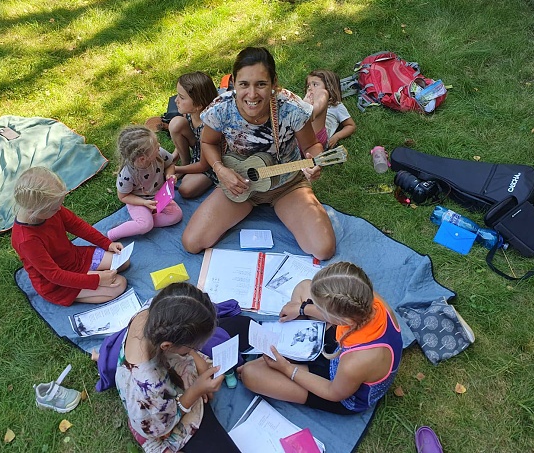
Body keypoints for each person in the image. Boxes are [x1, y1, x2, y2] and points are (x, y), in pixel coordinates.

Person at [181, 47, 336, 260]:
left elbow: (311, 146)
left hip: (286, 185)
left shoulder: (291, 108)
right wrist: (220, 170)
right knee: (192, 242)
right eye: (244, 84)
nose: (252, 94)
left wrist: (314, 162)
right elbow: (208, 142)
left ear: (274, 83)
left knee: (323, 248)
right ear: (234, 82)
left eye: (261, 84)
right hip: (240, 183)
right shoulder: (221, 108)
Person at [237, 262, 402, 414]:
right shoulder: (365, 296)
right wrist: (302, 308)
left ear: (342, 319)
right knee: (304, 287)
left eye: (321, 309)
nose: (315, 307)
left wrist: (287, 369)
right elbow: (335, 311)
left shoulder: (355, 362)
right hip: (341, 349)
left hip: (337, 388)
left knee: (250, 374)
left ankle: (289, 359)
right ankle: (290, 354)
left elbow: (333, 392)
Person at [114, 283, 244, 453]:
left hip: (165, 374)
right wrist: (196, 390)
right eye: (195, 345)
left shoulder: (155, 312)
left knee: (243, 325)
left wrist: (195, 356)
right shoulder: (148, 388)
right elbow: (163, 426)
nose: (199, 348)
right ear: (168, 346)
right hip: (156, 417)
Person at [12, 167, 128, 306]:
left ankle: (91, 277)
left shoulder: (51, 208)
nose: (59, 209)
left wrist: (107, 243)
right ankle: (72, 296)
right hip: (57, 284)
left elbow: (77, 225)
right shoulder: (27, 241)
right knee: (119, 284)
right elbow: (54, 275)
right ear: (35, 211)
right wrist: (97, 280)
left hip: (74, 258)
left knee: (123, 261)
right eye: (55, 207)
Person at [107, 125, 182, 241]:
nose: (159, 146)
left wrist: (169, 175)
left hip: (159, 196)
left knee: (176, 215)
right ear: (143, 158)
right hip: (138, 201)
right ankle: (111, 234)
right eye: (155, 146)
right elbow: (123, 196)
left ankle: (139, 223)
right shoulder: (127, 174)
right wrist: (144, 203)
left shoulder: (159, 154)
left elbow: (170, 165)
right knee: (145, 225)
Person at [168, 72, 220, 199]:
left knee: (186, 189)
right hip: (198, 151)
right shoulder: (190, 113)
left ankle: (187, 169)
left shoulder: (209, 127)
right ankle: (186, 163)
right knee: (175, 123)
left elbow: (204, 165)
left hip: (210, 164)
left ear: (197, 105)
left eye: (181, 97)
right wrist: (174, 157)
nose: (176, 100)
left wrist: (176, 169)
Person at [305, 69, 356, 149]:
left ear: (328, 87)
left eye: (315, 85)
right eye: (308, 85)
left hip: (317, 138)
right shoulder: (308, 102)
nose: (310, 88)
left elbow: (351, 125)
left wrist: (337, 136)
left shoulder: (336, 106)